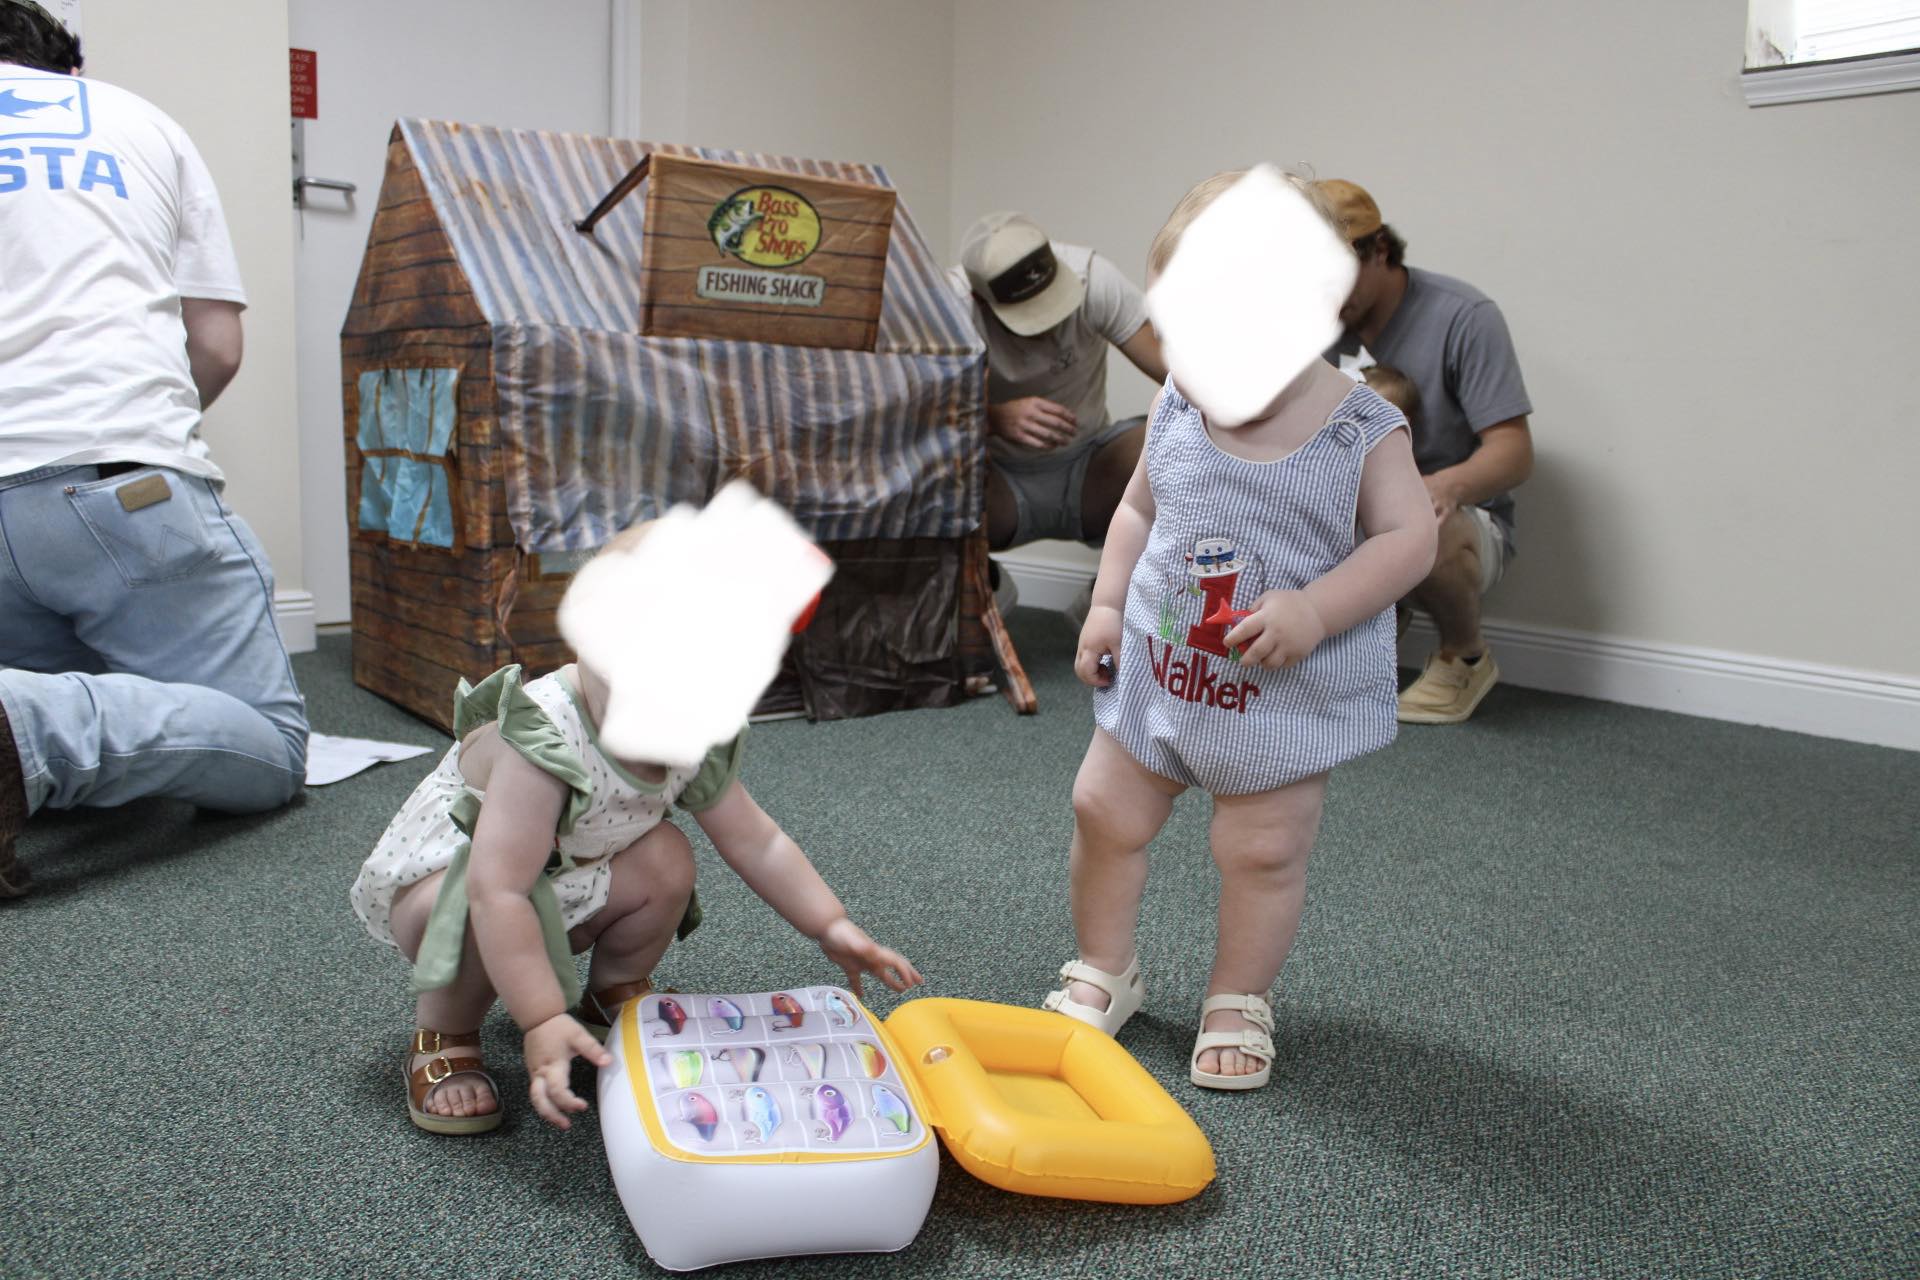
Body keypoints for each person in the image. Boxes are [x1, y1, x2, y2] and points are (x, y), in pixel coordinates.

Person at [1044, 171, 1436, 1090]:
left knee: (1260, 851)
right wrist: (1106, 604)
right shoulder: (1181, 400)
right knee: (1104, 812)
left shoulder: (1361, 430)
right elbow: (1140, 511)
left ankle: (1238, 995)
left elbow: (1410, 538)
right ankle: (1106, 964)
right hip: (1157, 674)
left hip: (1280, 700)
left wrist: (1318, 608)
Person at [350, 526, 922, 1134]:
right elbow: (501, 890)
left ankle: (612, 988)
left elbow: (757, 840)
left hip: (575, 870)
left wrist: (829, 924)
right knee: (467, 907)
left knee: (668, 856)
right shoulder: (542, 740)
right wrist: (541, 1017)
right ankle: (448, 1030)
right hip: (463, 888)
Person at [0, 0, 307, 898]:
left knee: (92, 670)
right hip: (114, 477)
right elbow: (215, 345)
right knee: (271, 745)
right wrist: (147, 442)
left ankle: (29, 716)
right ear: (68, 68)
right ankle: (24, 720)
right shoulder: (136, 120)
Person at [1317, 178, 1534, 725]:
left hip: (1454, 519)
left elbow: (1513, 452)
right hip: (1346, 508)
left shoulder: (1463, 316)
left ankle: (1464, 655)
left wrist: (1443, 487)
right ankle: (1360, 629)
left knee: (1419, 515)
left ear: (1380, 251)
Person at [949, 212, 1168, 623]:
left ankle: (1111, 600)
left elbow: (1181, 378)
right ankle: (987, 588)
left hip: (1090, 469)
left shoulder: (1092, 278)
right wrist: (993, 417)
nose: (1048, 329)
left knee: (1173, 442)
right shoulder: (950, 305)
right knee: (933, 472)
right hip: (998, 483)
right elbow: (917, 418)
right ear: (981, 299)